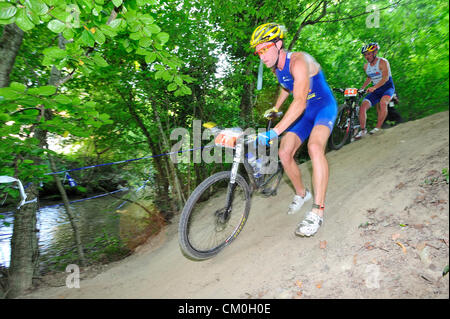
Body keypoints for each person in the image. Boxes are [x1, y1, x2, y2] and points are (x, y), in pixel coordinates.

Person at [250, 23, 337, 237]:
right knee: (284, 153)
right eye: (257, 51)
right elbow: (285, 86)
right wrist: (276, 107)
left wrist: (275, 131)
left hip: (323, 107)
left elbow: (299, 101)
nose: (261, 55)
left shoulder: (299, 61)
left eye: (264, 49)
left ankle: (318, 211)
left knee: (315, 148)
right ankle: (302, 193)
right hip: (307, 113)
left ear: (278, 44)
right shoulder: (276, 68)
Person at [355, 42, 396, 139]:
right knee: (363, 106)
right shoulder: (366, 66)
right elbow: (369, 78)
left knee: (383, 103)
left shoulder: (383, 62)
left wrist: (374, 87)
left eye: (369, 54)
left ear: (375, 52)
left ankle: (377, 128)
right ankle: (363, 130)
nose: (367, 56)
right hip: (376, 89)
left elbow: (385, 78)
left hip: (387, 87)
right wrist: (362, 88)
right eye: (365, 55)